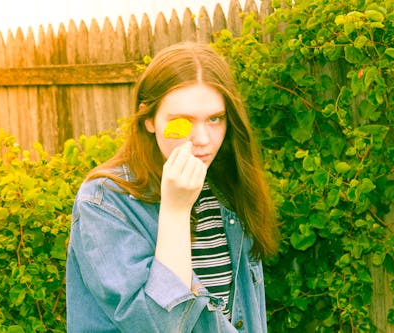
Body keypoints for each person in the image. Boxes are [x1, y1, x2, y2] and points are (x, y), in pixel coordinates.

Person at [65, 41, 280, 332]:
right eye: (183, 121)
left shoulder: (227, 186)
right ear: (149, 119)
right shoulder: (104, 201)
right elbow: (158, 325)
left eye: (215, 118)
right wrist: (176, 211)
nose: (202, 138)